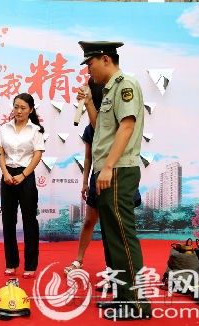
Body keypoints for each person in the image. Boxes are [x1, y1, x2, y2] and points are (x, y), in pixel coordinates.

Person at [77, 41, 151, 320]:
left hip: (118, 169)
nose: (88, 70)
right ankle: (123, 299)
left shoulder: (125, 84)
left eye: (90, 63)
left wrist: (107, 167)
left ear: (105, 59)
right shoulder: (108, 91)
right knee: (112, 240)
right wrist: (88, 104)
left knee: (122, 237)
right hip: (107, 170)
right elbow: (101, 130)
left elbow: (127, 126)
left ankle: (137, 305)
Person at [64, 78, 142, 277]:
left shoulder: (120, 113)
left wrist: (109, 168)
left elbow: (114, 130)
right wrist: (85, 182)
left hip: (119, 174)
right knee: (93, 220)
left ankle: (121, 276)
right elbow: (89, 156)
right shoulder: (91, 127)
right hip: (98, 175)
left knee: (118, 228)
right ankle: (80, 260)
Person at [0, 93, 45, 279]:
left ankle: (30, 265)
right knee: (8, 221)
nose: (19, 111)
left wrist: (24, 175)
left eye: (23, 108)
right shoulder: (4, 128)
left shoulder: (36, 130)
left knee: (29, 221)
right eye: (16, 107)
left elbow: (37, 155)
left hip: (26, 176)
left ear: (31, 110)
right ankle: (11, 263)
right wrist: (6, 174)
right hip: (7, 176)